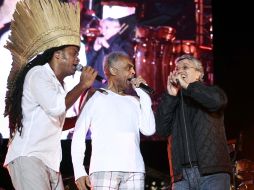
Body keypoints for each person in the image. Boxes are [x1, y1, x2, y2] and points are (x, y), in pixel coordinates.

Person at [3, 0, 97, 189]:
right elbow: (56, 108)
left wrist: (83, 117)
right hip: (30, 157)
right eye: (74, 53)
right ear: (58, 55)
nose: (78, 59)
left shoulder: (56, 84)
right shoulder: (38, 74)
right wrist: (82, 85)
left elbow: (55, 122)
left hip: (49, 162)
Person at [71, 51, 156, 190]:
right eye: (129, 67)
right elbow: (79, 134)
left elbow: (149, 130)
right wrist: (79, 171)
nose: (133, 72)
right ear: (113, 70)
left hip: (135, 170)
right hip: (104, 169)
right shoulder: (96, 97)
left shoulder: (134, 101)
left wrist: (144, 95)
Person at [155, 54, 232, 190]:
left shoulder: (211, 91)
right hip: (181, 177)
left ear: (199, 74)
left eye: (185, 67)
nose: (180, 71)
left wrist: (188, 87)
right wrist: (170, 96)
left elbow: (217, 102)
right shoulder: (173, 101)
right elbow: (161, 130)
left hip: (212, 173)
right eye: (177, 69)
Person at [86, 17, 134, 88]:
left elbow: (125, 62)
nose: (103, 31)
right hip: (96, 90)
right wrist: (94, 50)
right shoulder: (100, 42)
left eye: (107, 28)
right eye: (102, 28)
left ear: (117, 29)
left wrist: (108, 46)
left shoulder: (125, 43)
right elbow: (87, 64)